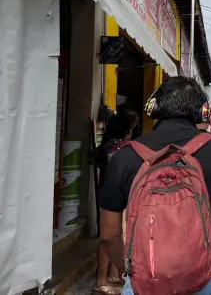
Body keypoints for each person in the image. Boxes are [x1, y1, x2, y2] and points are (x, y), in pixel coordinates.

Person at [98, 77, 211, 295]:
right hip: (209, 278)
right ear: (203, 112)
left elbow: (109, 235)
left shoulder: (125, 157)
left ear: (154, 108)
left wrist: (128, 271)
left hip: (146, 280)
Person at [93, 112, 134, 295]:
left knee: (109, 235)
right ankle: (103, 280)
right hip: (119, 197)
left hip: (105, 194)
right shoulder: (124, 149)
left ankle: (111, 275)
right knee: (112, 236)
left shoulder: (105, 146)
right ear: (126, 130)